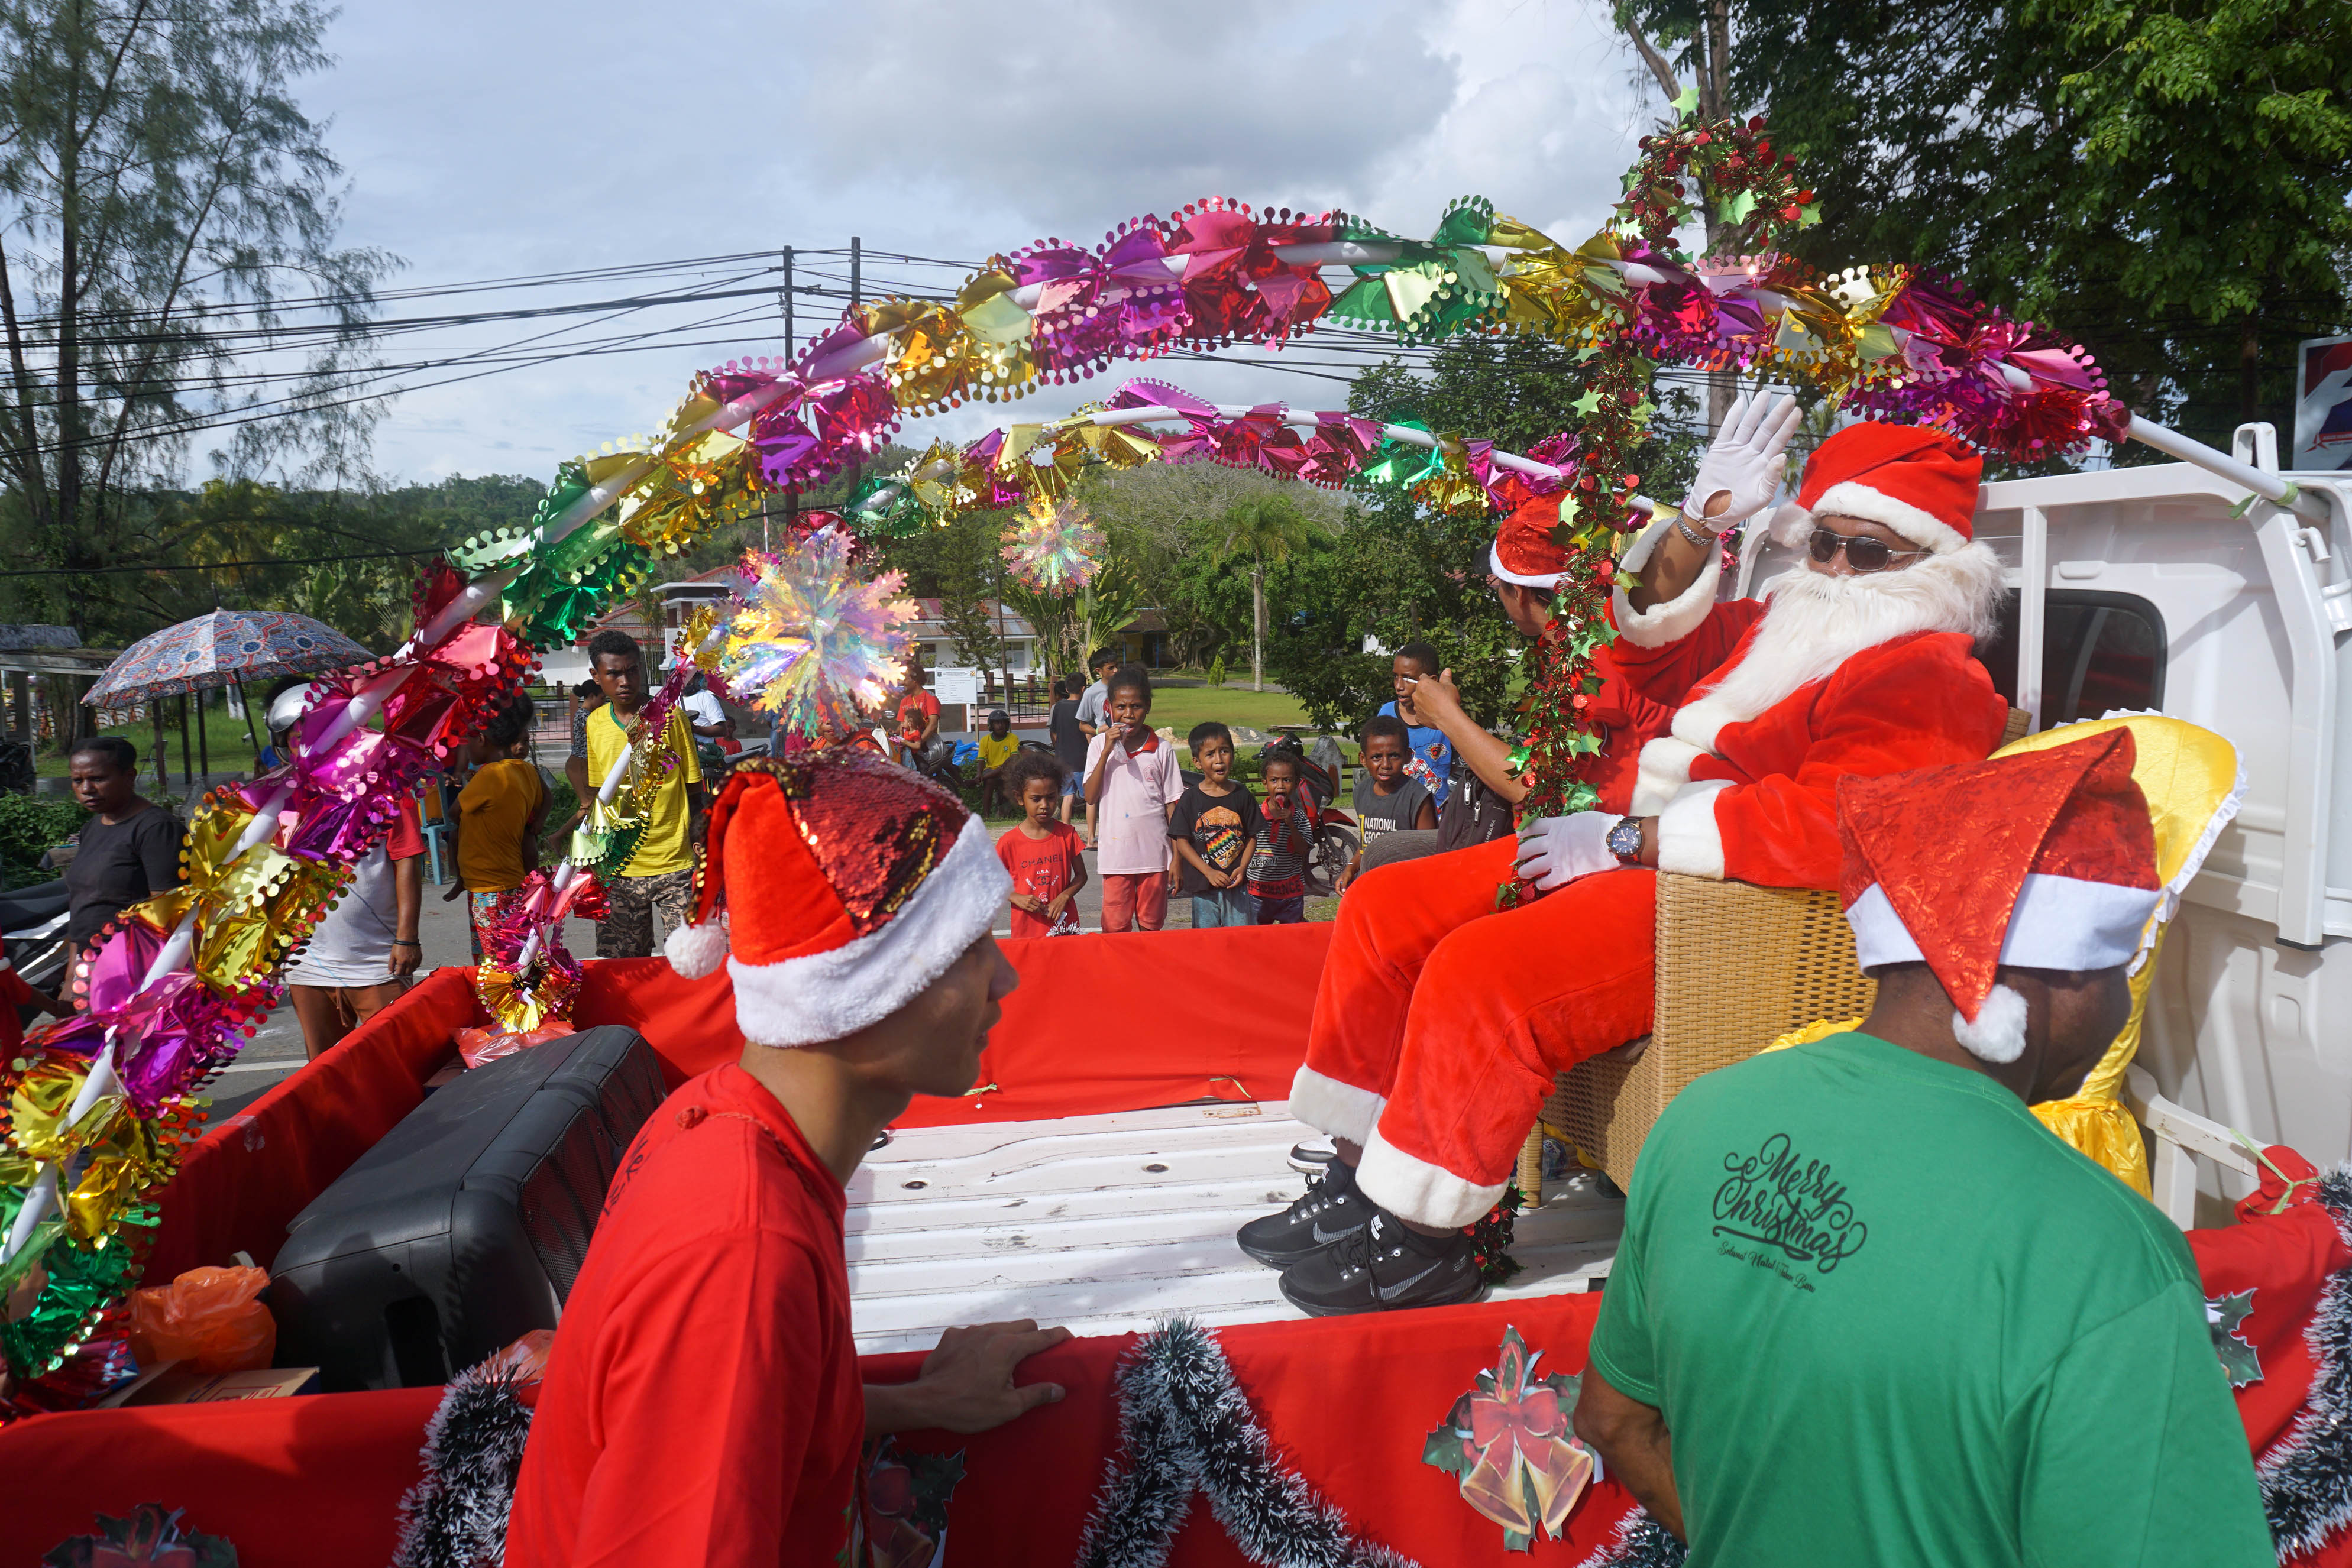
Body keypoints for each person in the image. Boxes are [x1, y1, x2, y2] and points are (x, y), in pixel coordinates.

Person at [1244, 397, 2016, 1314]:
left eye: (1870, 551)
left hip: (1717, 900)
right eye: (1823, 543)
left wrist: (1627, 841)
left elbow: (1844, 826)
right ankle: (1359, 1164)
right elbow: (1639, 653)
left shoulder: (1930, 675)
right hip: (1630, 852)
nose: (1838, 567)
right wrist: (1699, 526)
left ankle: (1425, 1232)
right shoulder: (1776, 630)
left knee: (1481, 970)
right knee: (1383, 908)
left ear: (1938, 567)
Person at [1574, 729, 2275, 1566]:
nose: (2124, 1008)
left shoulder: (1700, 1120)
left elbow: (1614, 1419)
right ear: (2045, 982)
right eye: (2115, 967)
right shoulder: (2105, 1255)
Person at [507, 750, 1070, 1567]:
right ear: (858, 986)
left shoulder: (722, 1118)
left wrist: (919, 1402)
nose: (1006, 979)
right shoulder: (740, 1250)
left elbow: (746, 1411)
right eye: (966, 948)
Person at [573, 630, 706, 958]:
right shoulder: (594, 724)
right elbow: (599, 796)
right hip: (618, 869)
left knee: (692, 962)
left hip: (676, 863)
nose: (624, 681)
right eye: (614, 673)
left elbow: (694, 788)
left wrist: (705, 848)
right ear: (596, 676)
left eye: (632, 671)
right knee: (625, 969)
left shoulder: (670, 718)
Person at [284, 780, 428, 1060]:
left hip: (378, 959)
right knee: (325, 1070)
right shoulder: (286, 791)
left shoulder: (386, 786)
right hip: (305, 959)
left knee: (399, 1063)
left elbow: (406, 858)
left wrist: (407, 937)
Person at [444, 692, 549, 963]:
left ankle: (502, 1004)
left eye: (468, 741)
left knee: (493, 963)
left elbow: (454, 812)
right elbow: (542, 799)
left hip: (488, 888)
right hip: (512, 880)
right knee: (517, 955)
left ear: (481, 739)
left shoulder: (489, 775)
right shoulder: (525, 772)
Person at [62, 736, 182, 964]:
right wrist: (71, 980)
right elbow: (82, 910)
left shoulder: (156, 829)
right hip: (88, 965)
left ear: (129, 777)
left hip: (132, 967)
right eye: (77, 780)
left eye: (98, 779)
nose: (86, 789)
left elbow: (168, 915)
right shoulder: (93, 828)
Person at [1082, 664, 1181, 934]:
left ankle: (1147, 976)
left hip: (1156, 857)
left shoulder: (1162, 749)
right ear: (1109, 708)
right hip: (1116, 858)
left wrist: (1177, 858)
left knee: (1151, 925)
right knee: (1115, 928)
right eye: (1121, 707)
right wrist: (1106, 751)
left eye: (1136, 706)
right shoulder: (1097, 746)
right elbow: (1090, 796)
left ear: (1147, 706)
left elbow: (1173, 807)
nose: (1128, 715)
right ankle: (1118, 977)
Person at [1167, 721, 1264, 929]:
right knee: (1206, 944)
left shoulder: (1242, 795)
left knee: (1240, 941)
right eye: (1210, 754)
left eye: (1225, 751)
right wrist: (1208, 872)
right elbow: (1182, 842)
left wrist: (1242, 867)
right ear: (1197, 762)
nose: (1219, 760)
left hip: (1237, 887)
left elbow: (1252, 837)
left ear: (1233, 755)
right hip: (1204, 888)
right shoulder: (1190, 799)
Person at [1338, 715, 1435, 895]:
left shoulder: (1418, 798)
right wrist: (1351, 868)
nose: (1385, 765)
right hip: (1369, 887)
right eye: (1376, 757)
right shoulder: (1361, 792)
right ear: (1363, 759)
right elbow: (1367, 844)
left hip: (1404, 891)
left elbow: (1429, 857)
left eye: (1394, 756)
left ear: (1408, 756)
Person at [996, 751, 1086, 937]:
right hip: (1027, 928)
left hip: (1063, 927)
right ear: (1020, 798)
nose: (1045, 805)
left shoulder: (1067, 834)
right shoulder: (1009, 842)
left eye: (1051, 797)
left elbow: (1081, 876)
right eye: (1036, 799)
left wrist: (1064, 896)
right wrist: (1015, 898)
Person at [1377, 642, 1454, 807]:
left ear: (1430, 681)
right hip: (1397, 815)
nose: (1398, 686)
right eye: (1395, 677)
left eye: (1407, 679)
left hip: (1438, 821)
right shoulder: (1386, 714)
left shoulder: (1448, 719)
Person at [1245, 750, 1315, 925]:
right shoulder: (1255, 815)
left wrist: (1291, 824)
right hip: (1257, 894)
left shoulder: (1299, 817)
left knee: (1292, 939)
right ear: (1265, 783)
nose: (1281, 786)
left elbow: (1302, 850)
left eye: (1287, 780)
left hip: (1290, 895)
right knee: (1257, 939)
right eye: (1274, 780)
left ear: (1296, 783)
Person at [1073, 648, 1120, 845]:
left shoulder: (1125, 687)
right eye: (1111, 668)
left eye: (1118, 666)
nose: (1117, 670)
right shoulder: (1092, 693)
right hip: (1103, 746)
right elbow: (1082, 724)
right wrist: (1100, 733)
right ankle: (1092, 837)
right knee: (1093, 793)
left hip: (1125, 745)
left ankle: (1116, 833)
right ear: (1099, 671)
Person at [562, 679, 606, 825]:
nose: (603, 703)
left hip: (583, 765)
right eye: (602, 699)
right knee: (589, 806)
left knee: (593, 806)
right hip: (580, 765)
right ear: (592, 696)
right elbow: (600, 736)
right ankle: (558, 838)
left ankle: (560, 838)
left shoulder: (588, 714)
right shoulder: (584, 716)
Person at [1047, 676, 1088, 827]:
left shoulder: (1057, 707)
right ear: (1084, 688)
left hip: (1063, 761)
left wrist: (1059, 749)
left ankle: (1066, 830)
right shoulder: (1085, 706)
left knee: (1067, 796)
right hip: (1083, 760)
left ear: (1066, 689)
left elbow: (1054, 733)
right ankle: (1092, 835)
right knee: (1090, 799)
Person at [892, 660, 940, 770]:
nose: (903, 683)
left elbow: (933, 725)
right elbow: (902, 725)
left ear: (915, 680)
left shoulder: (930, 698)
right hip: (907, 746)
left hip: (926, 747)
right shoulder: (905, 701)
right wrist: (893, 734)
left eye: (906, 679)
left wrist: (917, 743)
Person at [973, 707, 1020, 816]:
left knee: (1001, 771)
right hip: (991, 772)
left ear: (1007, 724)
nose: (1000, 726)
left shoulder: (1013, 738)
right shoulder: (985, 740)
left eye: (1003, 722)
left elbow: (1013, 759)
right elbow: (981, 760)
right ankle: (986, 814)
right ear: (991, 725)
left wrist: (981, 778)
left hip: (1007, 770)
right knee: (990, 781)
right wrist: (979, 773)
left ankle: (1003, 811)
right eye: (997, 723)